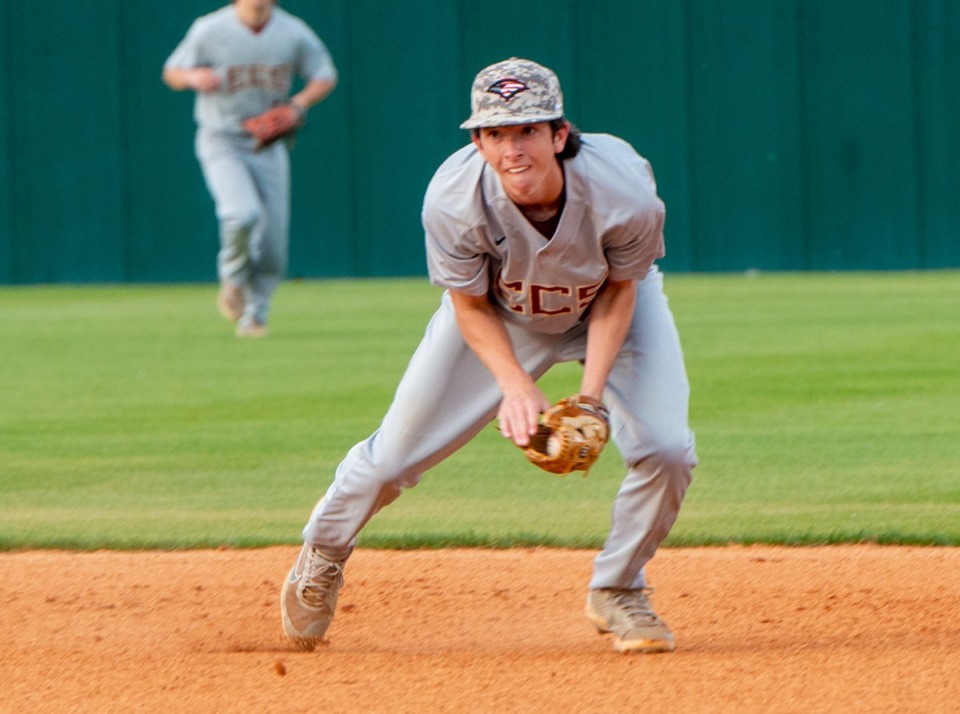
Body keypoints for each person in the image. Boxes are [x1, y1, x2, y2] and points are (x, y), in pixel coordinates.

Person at [281, 58, 697, 654]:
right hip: (500, 315)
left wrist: (591, 397)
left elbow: (621, 289)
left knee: (667, 449)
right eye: (495, 134)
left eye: (526, 130)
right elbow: (469, 306)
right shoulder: (453, 201)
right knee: (394, 457)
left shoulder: (624, 191)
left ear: (560, 134)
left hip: (605, 305)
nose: (512, 149)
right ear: (478, 141)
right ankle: (324, 550)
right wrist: (515, 385)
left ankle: (619, 589)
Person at [162, 0, 337, 337]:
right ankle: (233, 279)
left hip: (268, 144)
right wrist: (191, 76)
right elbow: (171, 72)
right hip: (222, 138)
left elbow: (325, 75)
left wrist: (297, 103)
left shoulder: (292, 32)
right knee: (241, 214)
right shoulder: (209, 29)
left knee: (273, 243)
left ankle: (255, 315)